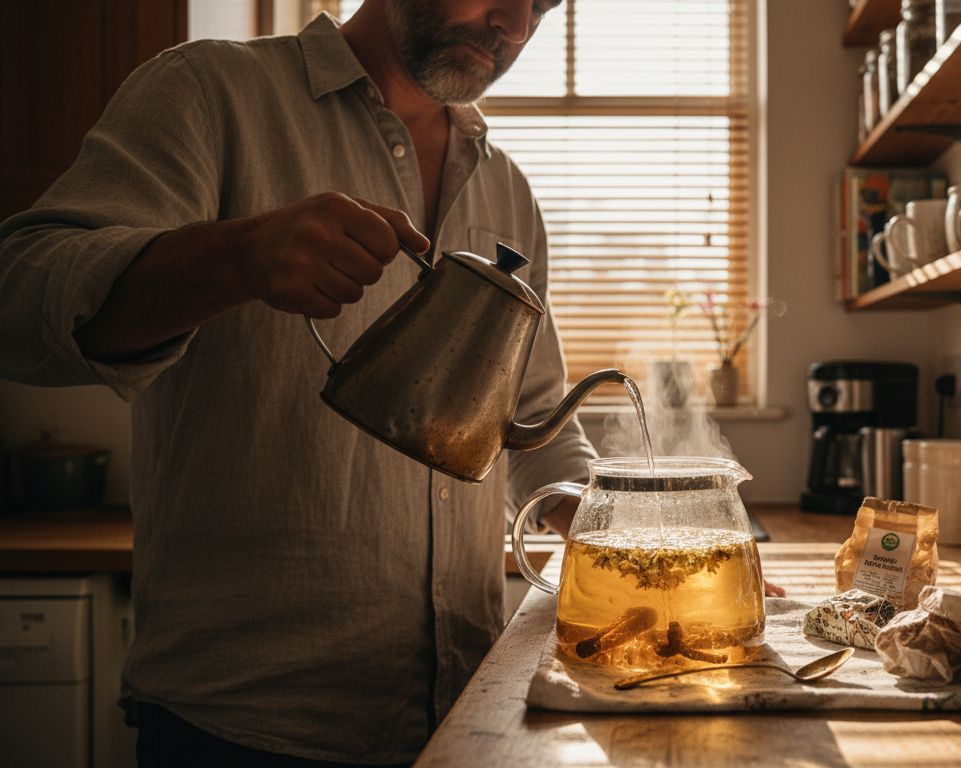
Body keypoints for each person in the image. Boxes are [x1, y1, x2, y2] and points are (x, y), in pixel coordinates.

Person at [0, 0, 585, 765]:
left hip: (460, 719)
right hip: (242, 729)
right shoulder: (211, 93)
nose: (513, 20)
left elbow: (534, 415)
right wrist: (238, 257)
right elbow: (18, 299)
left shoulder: (506, 185)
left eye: (542, 3)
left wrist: (609, 522)